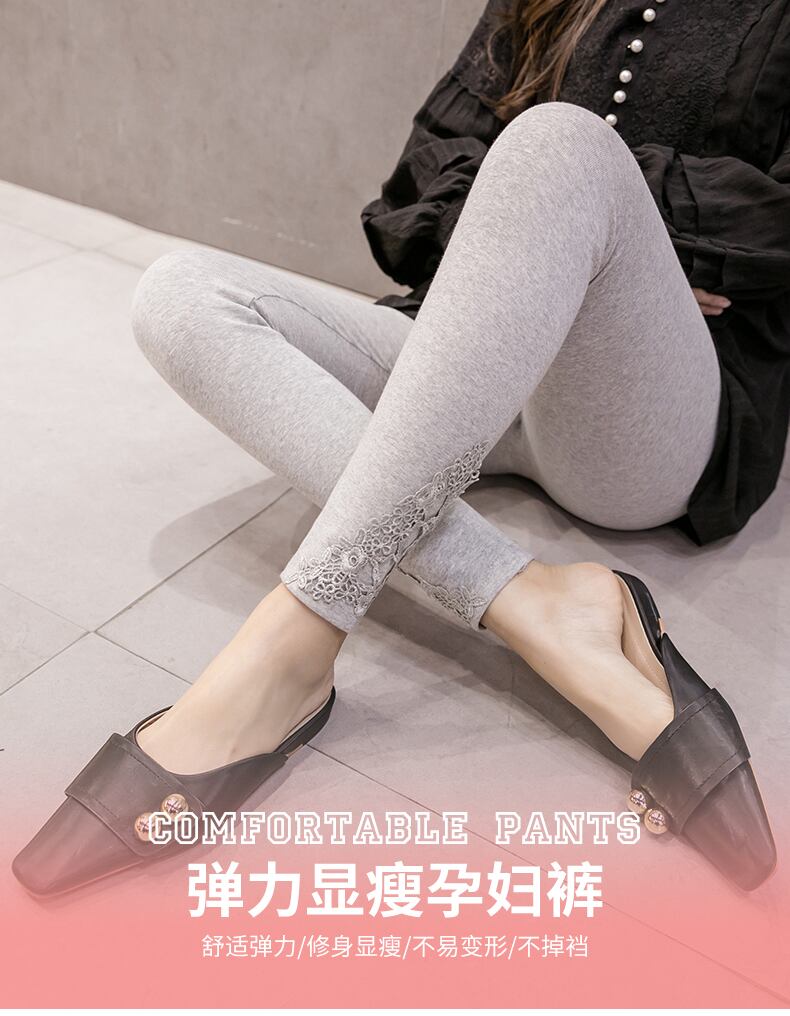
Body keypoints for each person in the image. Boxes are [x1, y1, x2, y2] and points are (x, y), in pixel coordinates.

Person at [13, 0, 787, 897]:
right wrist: (535, 231)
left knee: (560, 145)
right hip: (476, 366)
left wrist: (618, 229)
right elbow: (419, 178)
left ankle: (294, 643)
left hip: (634, 413)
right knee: (181, 295)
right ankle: (535, 605)